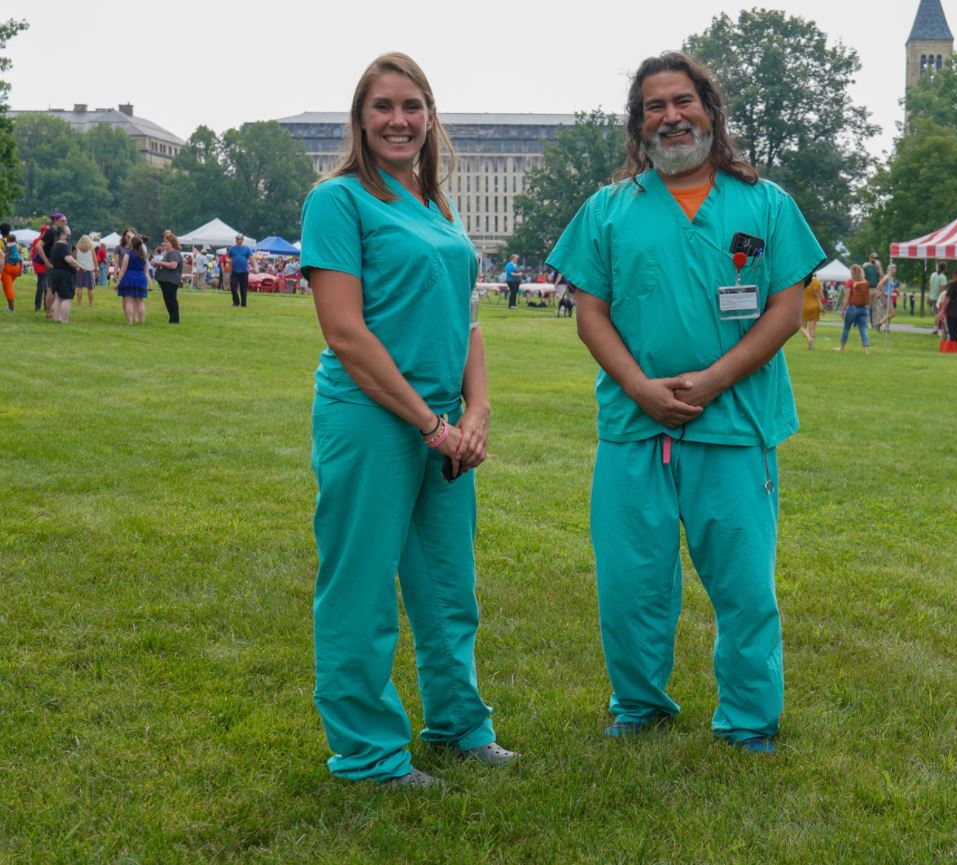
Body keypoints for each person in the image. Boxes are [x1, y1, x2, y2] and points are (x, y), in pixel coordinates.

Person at [547, 50, 824, 755]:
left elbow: (785, 310)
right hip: (632, 425)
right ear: (638, 126)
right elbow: (590, 313)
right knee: (630, 580)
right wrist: (640, 388)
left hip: (734, 423)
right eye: (653, 107)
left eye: (682, 102)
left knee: (743, 585)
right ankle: (638, 703)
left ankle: (748, 718)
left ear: (709, 110)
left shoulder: (764, 203)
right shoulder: (608, 210)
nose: (669, 117)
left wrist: (712, 380)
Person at [300, 52, 513, 789]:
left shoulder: (435, 204)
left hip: (446, 426)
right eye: (382, 106)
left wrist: (476, 412)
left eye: (411, 105)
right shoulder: (337, 200)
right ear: (360, 118)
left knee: (449, 588)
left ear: (430, 116)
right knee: (359, 590)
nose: (398, 120)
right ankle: (367, 752)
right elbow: (345, 333)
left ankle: (460, 724)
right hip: (372, 419)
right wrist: (430, 423)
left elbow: (469, 323)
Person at [48, 224, 90, 323]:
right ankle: (64, 320)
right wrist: (81, 266)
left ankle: (57, 318)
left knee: (58, 297)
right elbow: (69, 259)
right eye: (68, 234)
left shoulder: (56, 245)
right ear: (63, 234)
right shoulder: (63, 245)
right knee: (66, 298)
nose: (69, 236)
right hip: (65, 275)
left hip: (55, 273)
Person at [835, 263, 871, 354]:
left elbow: (847, 297)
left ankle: (841, 347)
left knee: (846, 328)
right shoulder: (865, 282)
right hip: (863, 308)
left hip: (852, 308)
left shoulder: (850, 282)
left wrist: (842, 309)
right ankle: (866, 350)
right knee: (863, 329)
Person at [116, 234, 150, 324]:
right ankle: (142, 321)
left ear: (132, 244)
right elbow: (146, 271)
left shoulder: (128, 255)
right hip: (141, 279)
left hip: (129, 278)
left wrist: (118, 281)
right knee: (140, 301)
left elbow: (123, 270)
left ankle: (130, 322)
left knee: (129, 301)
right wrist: (149, 282)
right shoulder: (144, 256)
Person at [154, 231, 184, 324]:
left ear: (172, 243)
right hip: (166, 280)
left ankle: (175, 320)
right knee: (168, 300)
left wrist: (160, 263)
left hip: (171, 280)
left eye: (167, 242)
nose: (164, 244)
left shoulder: (174, 253)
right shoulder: (167, 253)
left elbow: (173, 265)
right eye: (164, 242)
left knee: (171, 300)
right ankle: (172, 319)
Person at [940, 270, 957, 344]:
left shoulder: (953, 285)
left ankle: (953, 345)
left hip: (952, 311)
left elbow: (947, 298)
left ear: (955, 275)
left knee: (951, 330)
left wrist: (942, 310)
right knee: (956, 329)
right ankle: (955, 344)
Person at [227, 234, 253, 307]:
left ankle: (243, 303)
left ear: (242, 240)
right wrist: (228, 261)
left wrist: (255, 267)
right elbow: (228, 257)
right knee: (232, 286)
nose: (237, 240)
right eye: (236, 239)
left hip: (244, 272)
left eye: (239, 239)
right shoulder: (232, 249)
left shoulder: (247, 249)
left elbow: (251, 258)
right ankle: (236, 302)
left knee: (243, 288)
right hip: (234, 271)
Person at [799, 274, 822, 348]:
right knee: (812, 327)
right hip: (815, 306)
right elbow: (821, 295)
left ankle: (809, 338)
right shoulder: (817, 281)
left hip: (804, 306)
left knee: (802, 327)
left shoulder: (803, 281)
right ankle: (811, 345)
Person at [1, 223, 18, 313]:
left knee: (8, 286)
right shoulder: (14, 241)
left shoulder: (1, 242)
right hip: (17, 266)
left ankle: (11, 308)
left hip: (7, 267)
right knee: (7, 285)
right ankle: (9, 306)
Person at [74, 235, 96, 307]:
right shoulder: (91, 249)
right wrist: (96, 268)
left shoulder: (77, 249)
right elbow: (95, 260)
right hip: (89, 270)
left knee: (79, 288)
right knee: (90, 288)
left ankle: (79, 304)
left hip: (79, 270)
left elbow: (73, 258)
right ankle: (91, 303)